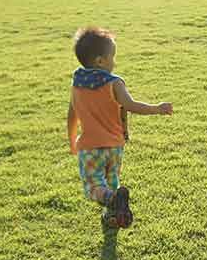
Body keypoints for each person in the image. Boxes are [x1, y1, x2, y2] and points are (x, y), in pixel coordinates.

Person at [67, 27, 173, 229]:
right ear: (100, 61)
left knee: (95, 187)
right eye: (112, 57)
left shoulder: (77, 83)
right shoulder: (115, 84)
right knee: (111, 181)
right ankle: (112, 215)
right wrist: (158, 109)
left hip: (90, 147)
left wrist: (72, 140)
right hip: (115, 146)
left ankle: (112, 202)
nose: (114, 62)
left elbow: (72, 114)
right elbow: (132, 106)